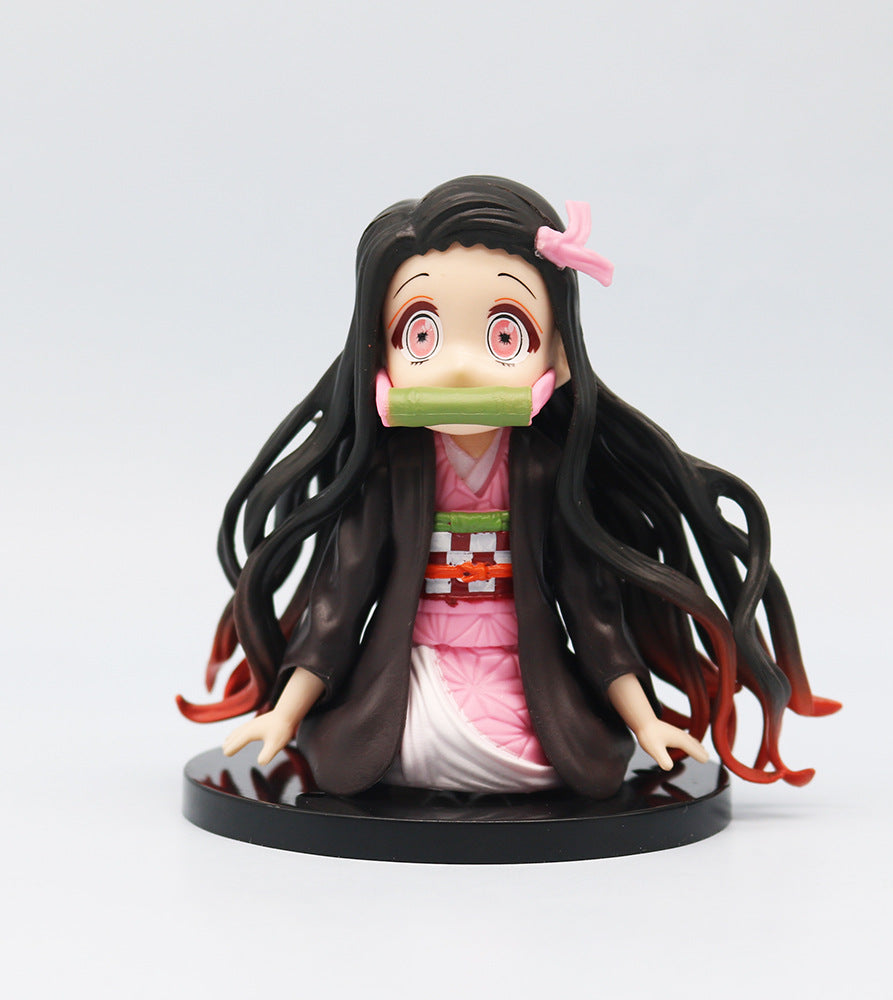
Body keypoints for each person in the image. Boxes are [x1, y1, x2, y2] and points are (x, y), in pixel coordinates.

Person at [178, 176, 838, 798]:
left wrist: (644, 723)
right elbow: (338, 601)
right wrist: (285, 713)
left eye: (503, 334)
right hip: (412, 670)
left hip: (521, 671)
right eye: (422, 333)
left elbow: (592, 610)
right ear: (380, 352)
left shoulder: (546, 473)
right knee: (403, 750)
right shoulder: (391, 474)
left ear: (558, 355)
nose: (461, 368)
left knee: (543, 762)